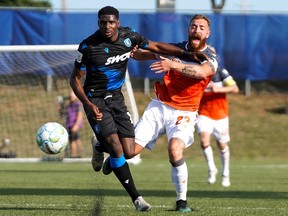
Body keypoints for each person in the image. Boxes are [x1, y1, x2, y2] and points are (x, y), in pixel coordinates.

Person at [70, 6, 200, 212]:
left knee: (129, 151)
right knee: (115, 146)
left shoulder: (129, 37)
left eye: (111, 22)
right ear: (98, 23)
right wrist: (88, 104)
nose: (107, 26)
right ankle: (137, 199)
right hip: (96, 100)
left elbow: (155, 46)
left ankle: (98, 146)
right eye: (103, 22)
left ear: (118, 23)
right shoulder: (88, 46)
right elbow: (75, 80)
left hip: (117, 100)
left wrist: (186, 53)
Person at [102, 14, 219, 212]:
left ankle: (182, 201)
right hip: (159, 107)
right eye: (193, 26)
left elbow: (201, 73)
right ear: (188, 30)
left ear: (208, 33)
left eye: (201, 27)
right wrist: (131, 48)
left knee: (175, 151)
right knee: (128, 152)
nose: (196, 30)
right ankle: (105, 150)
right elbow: (143, 54)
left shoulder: (210, 57)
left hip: (185, 112)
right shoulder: (176, 49)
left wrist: (172, 65)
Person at [196, 47, 239, 187]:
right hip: (204, 113)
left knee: (222, 145)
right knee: (204, 142)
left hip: (220, 115)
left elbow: (235, 88)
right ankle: (211, 169)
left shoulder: (221, 72)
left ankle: (225, 174)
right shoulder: (198, 71)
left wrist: (218, 89)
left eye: (210, 54)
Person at [65, 90, 84, 158]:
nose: (71, 97)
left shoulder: (77, 104)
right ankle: (77, 154)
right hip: (70, 125)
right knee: (75, 139)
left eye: (72, 96)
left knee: (73, 140)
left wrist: (76, 125)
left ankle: (74, 155)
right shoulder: (69, 105)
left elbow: (80, 115)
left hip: (74, 125)